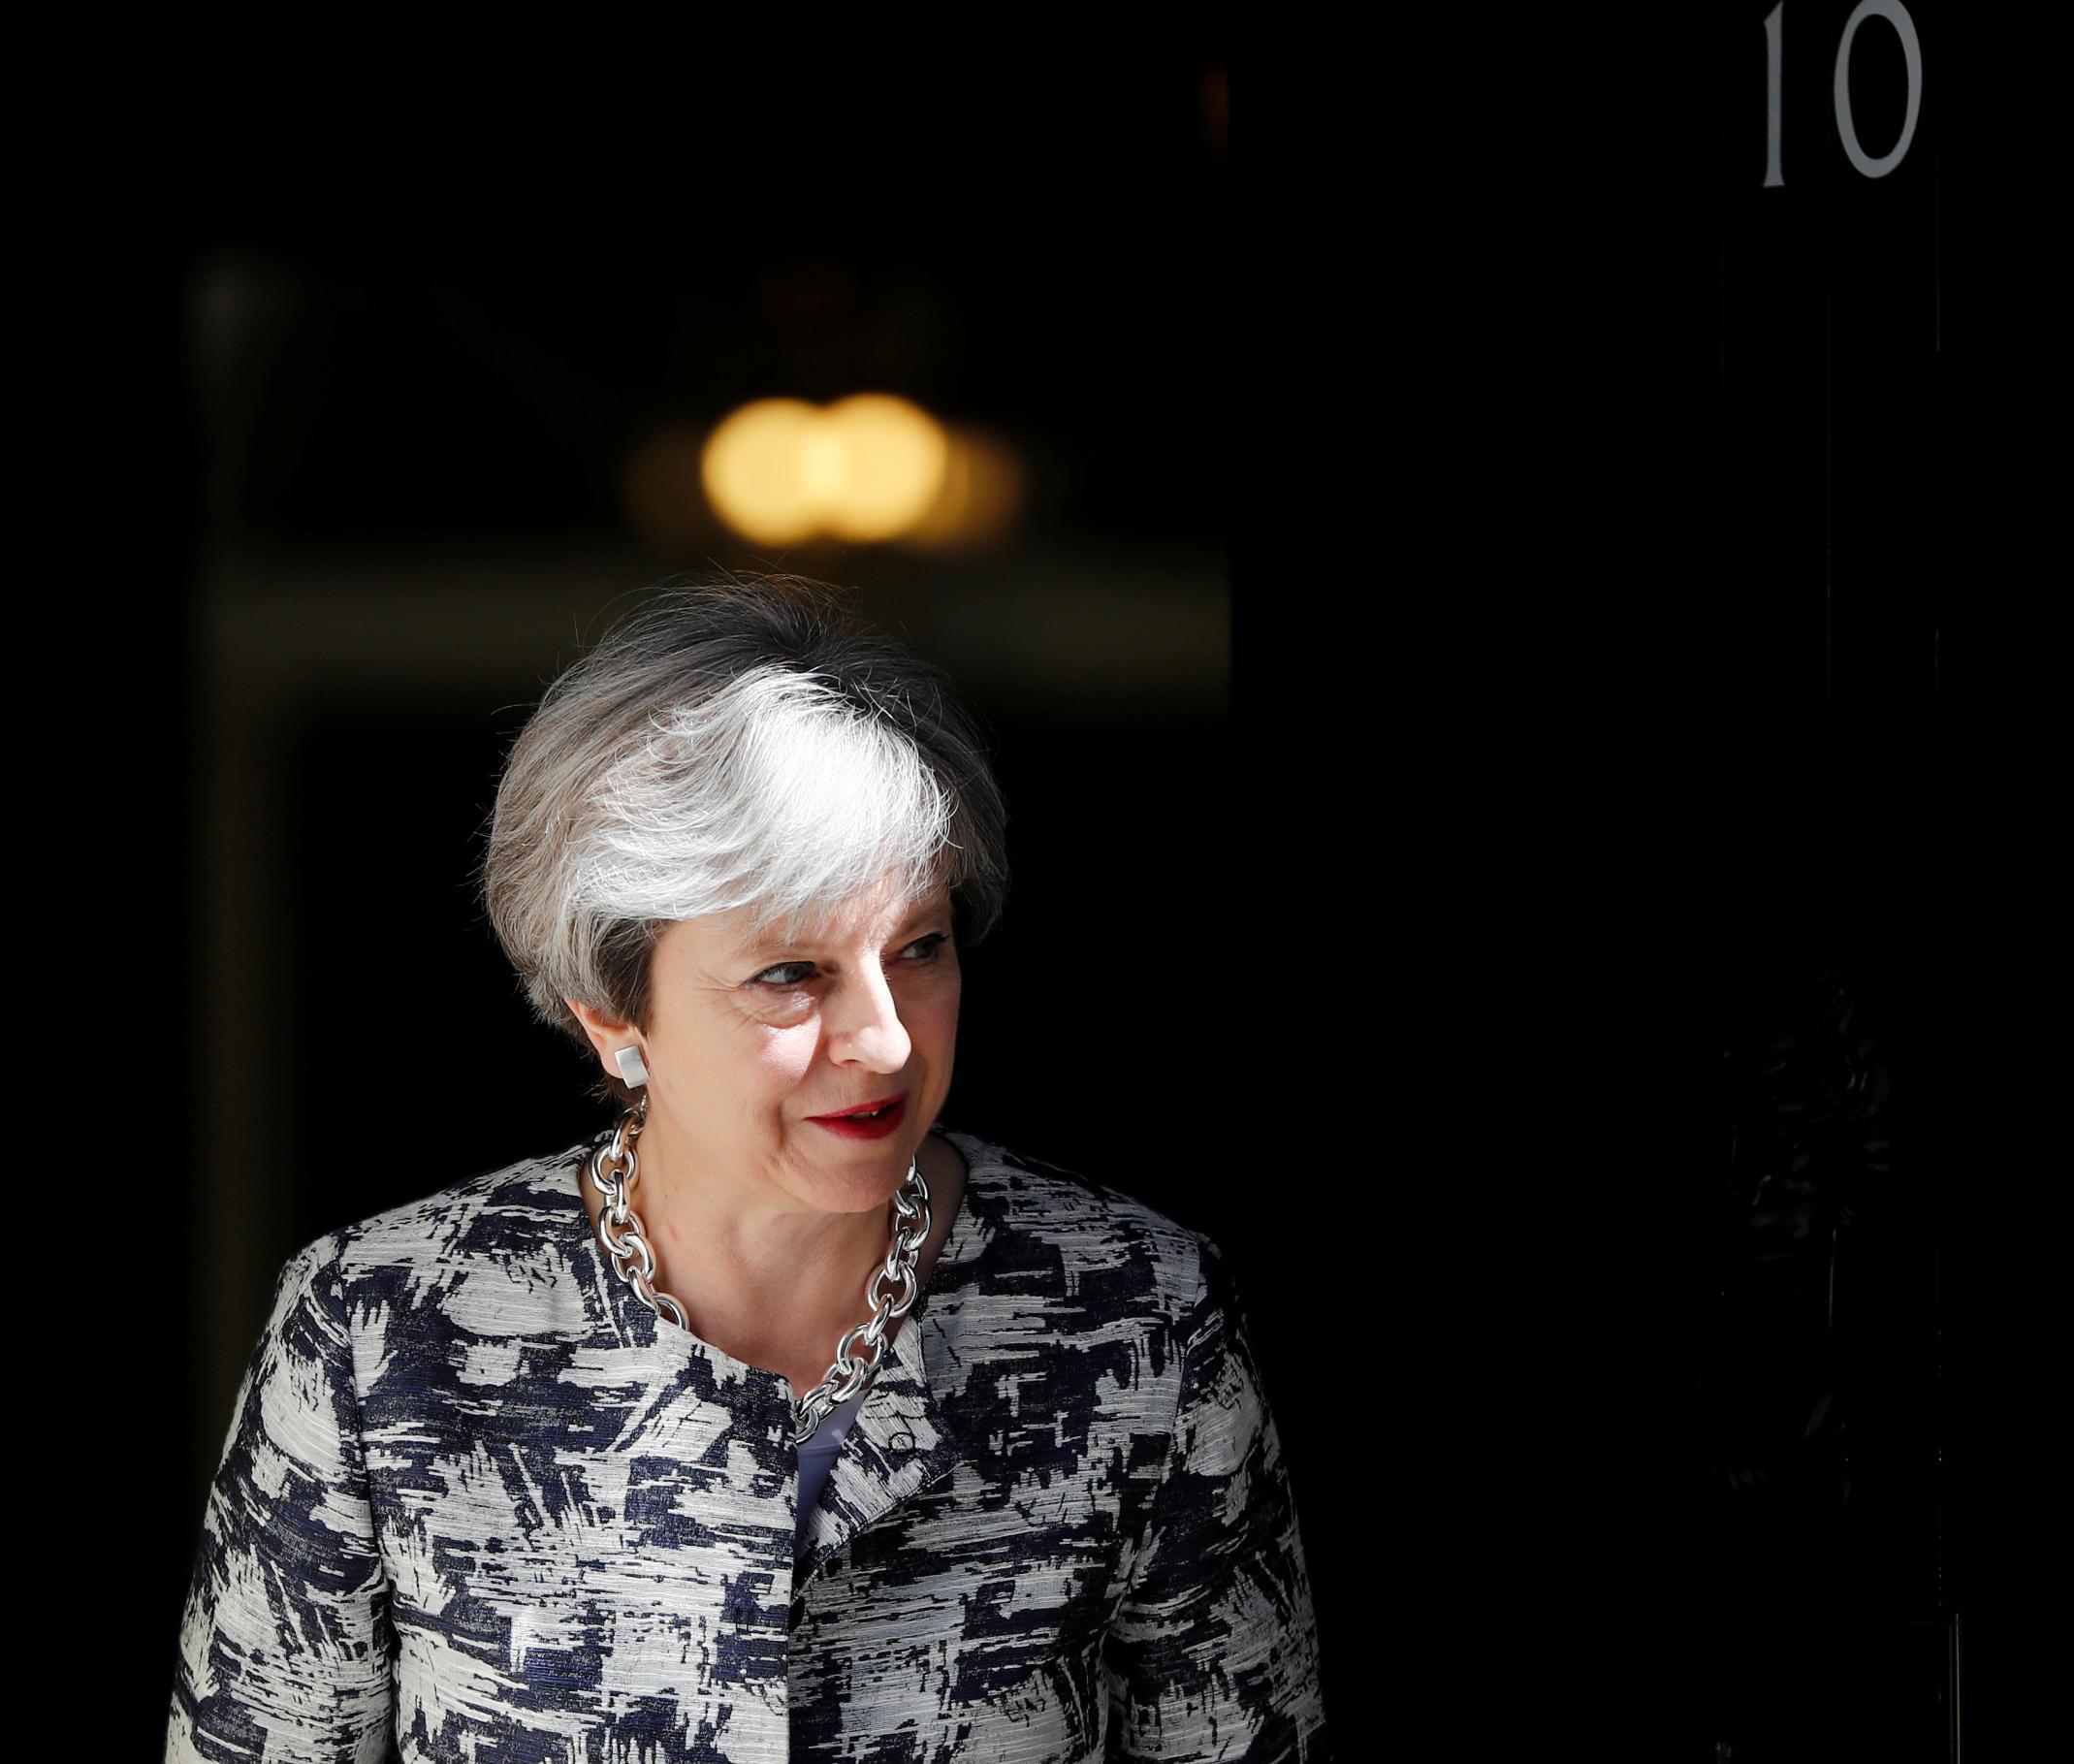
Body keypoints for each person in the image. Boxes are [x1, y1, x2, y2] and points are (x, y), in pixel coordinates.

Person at [165, 576, 1326, 1762]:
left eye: (917, 947)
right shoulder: (380, 1333)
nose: (883, 1037)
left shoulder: (1142, 1319)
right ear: (614, 1011)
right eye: (791, 973)